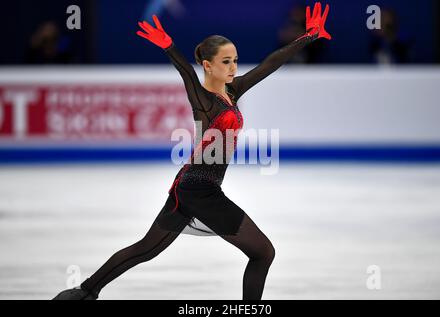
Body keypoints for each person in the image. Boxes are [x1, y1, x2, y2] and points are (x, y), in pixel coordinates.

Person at [52, 2, 331, 300]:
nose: (234, 67)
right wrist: (169, 46)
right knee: (263, 252)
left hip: (192, 187)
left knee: (146, 249)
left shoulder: (232, 91)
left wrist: (308, 37)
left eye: (235, 60)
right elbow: (185, 71)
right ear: (208, 65)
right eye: (226, 61)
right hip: (200, 191)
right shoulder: (204, 101)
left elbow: (269, 64)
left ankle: (83, 292)